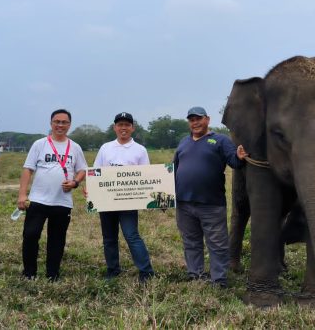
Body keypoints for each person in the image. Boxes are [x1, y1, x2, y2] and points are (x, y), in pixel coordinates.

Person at [173, 106, 246, 288]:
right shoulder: (183, 142)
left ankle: (219, 279)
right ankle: (195, 274)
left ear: (207, 119)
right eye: (191, 120)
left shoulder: (220, 140)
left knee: (217, 244)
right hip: (184, 203)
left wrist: (239, 156)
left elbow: (234, 162)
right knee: (191, 241)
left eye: (198, 119)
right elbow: (172, 170)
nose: (195, 123)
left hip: (211, 203)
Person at [17, 109, 87, 281]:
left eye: (64, 122)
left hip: (62, 202)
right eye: (57, 121)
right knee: (31, 235)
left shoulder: (75, 147)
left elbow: (82, 170)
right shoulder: (40, 144)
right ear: (51, 123)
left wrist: (75, 183)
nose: (60, 125)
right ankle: (29, 273)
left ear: (69, 125)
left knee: (57, 239)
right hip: (38, 200)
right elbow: (28, 169)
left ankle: (52, 274)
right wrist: (22, 195)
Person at [93, 112, 155, 283]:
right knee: (109, 238)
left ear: (132, 128)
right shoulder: (105, 148)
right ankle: (113, 270)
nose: (123, 128)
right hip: (106, 201)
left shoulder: (140, 150)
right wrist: (91, 189)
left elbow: (146, 176)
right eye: (120, 125)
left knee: (131, 235)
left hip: (129, 201)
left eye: (127, 125)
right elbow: (96, 172)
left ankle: (146, 272)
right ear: (115, 128)